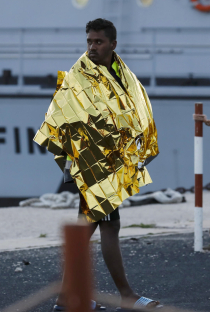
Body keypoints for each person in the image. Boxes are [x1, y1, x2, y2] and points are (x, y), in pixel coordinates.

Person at [34, 18, 162, 310]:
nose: (92, 47)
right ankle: (126, 296)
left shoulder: (119, 71)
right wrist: (71, 159)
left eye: (98, 42)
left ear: (113, 44)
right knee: (109, 227)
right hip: (94, 163)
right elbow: (64, 114)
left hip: (110, 160)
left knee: (89, 229)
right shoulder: (81, 74)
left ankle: (67, 298)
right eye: (89, 41)